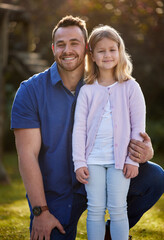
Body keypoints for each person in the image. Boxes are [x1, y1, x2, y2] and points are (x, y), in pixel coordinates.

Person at [10, 15, 164, 240]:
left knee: (154, 178)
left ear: (87, 49)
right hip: (57, 195)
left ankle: (111, 234)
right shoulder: (30, 91)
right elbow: (27, 157)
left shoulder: (107, 82)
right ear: (53, 48)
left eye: (75, 43)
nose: (67, 50)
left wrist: (144, 152)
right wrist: (40, 211)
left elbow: (128, 127)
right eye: (61, 44)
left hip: (107, 168)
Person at [72, 24, 146, 240]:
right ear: (92, 55)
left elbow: (138, 128)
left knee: (118, 209)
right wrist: (80, 162)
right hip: (92, 159)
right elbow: (79, 129)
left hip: (121, 161)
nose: (107, 55)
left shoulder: (131, 87)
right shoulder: (87, 90)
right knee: (95, 208)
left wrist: (133, 160)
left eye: (112, 49)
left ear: (120, 51)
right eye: (101, 50)